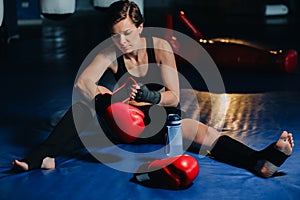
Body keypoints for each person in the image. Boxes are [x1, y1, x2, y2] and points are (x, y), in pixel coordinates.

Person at [12, 0, 294, 178]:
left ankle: (260, 161)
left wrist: (148, 96)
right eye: (114, 36)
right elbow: (81, 84)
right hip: (122, 123)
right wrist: (105, 95)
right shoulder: (111, 52)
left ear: (141, 27)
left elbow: (173, 95)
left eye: (127, 33)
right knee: (85, 104)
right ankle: (41, 156)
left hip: (159, 120)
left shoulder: (159, 47)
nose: (121, 41)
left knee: (200, 131)